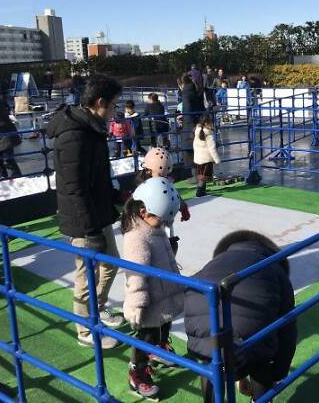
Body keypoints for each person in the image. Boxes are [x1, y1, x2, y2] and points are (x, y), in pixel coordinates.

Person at [46, 75, 126, 348]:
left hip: (98, 212)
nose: (115, 111)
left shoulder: (92, 128)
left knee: (111, 262)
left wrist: (118, 196)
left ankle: (97, 309)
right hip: (83, 220)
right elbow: (75, 187)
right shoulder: (74, 136)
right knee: (86, 275)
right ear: (100, 102)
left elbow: (97, 179)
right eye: (113, 105)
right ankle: (85, 330)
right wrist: (89, 230)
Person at [183, 230, 297, 403]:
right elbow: (288, 329)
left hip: (200, 329)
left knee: (210, 358)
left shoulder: (216, 261)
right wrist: (278, 374)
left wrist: (238, 377)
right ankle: (261, 398)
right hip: (245, 337)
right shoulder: (274, 267)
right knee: (261, 352)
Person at [121, 178, 184, 399]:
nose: (164, 224)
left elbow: (165, 258)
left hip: (164, 296)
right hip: (149, 302)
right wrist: (137, 305)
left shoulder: (153, 227)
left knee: (164, 328)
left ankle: (160, 351)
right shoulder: (137, 236)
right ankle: (137, 372)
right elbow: (136, 275)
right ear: (143, 211)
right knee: (146, 338)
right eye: (161, 219)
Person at [133, 147, 191, 254]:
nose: (164, 178)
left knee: (171, 246)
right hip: (149, 226)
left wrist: (183, 207)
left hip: (165, 224)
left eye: (165, 175)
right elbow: (136, 203)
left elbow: (174, 195)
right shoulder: (144, 185)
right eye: (161, 174)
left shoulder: (166, 182)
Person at [192, 115, 220, 197]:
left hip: (198, 158)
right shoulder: (209, 134)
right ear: (207, 123)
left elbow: (194, 145)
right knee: (204, 176)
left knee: (201, 174)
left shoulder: (197, 131)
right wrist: (217, 160)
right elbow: (212, 148)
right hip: (206, 158)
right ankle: (200, 191)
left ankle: (201, 189)